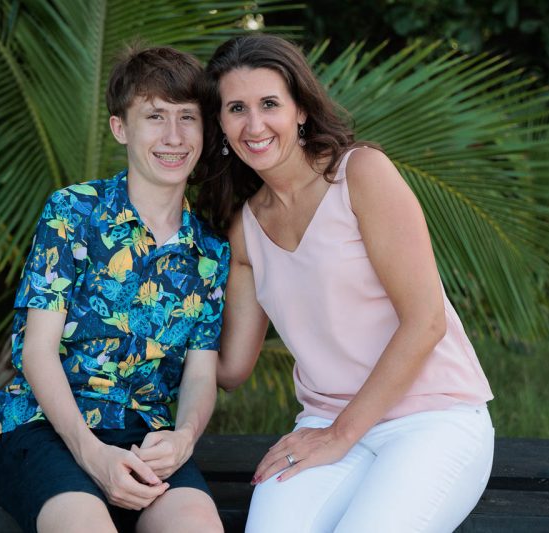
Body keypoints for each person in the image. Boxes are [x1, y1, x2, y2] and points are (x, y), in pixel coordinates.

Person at [195, 33, 494, 533]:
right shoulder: (244, 231)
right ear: (220, 124)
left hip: (433, 419)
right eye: (236, 108)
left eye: (270, 103)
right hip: (323, 423)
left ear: (301, 110)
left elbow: (426, 322)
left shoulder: (361, 174)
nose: (254, 124)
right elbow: (231, 369)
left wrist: (341, 434)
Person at [0, 45, 229, 533]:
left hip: (146, 434)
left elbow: (201, 372)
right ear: (121, 128)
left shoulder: (209, 249)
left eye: (188, 117)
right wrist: (92, 454)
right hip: (47, 429)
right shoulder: (73, 211)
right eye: (155, 116)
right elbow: (37, 352)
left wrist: (183, 438)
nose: (173, 136)